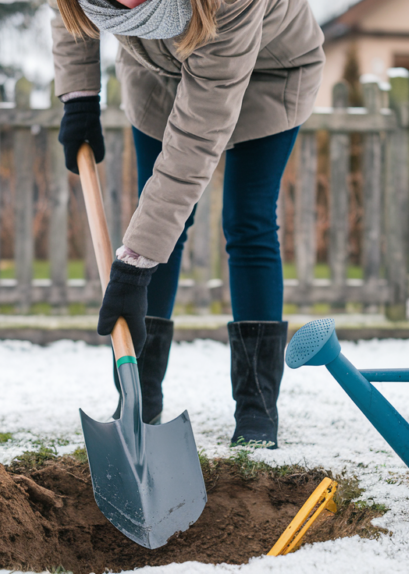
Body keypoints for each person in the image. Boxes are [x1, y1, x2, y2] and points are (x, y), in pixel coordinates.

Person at [51, 0, 324, 448]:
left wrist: (136, 264)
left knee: (248, 219)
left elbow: (196, 139)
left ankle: (256, 407)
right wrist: (79, 96)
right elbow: (67, 9)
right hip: (158, 74)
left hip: (268, 70)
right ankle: (142, 398)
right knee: (157, 224)